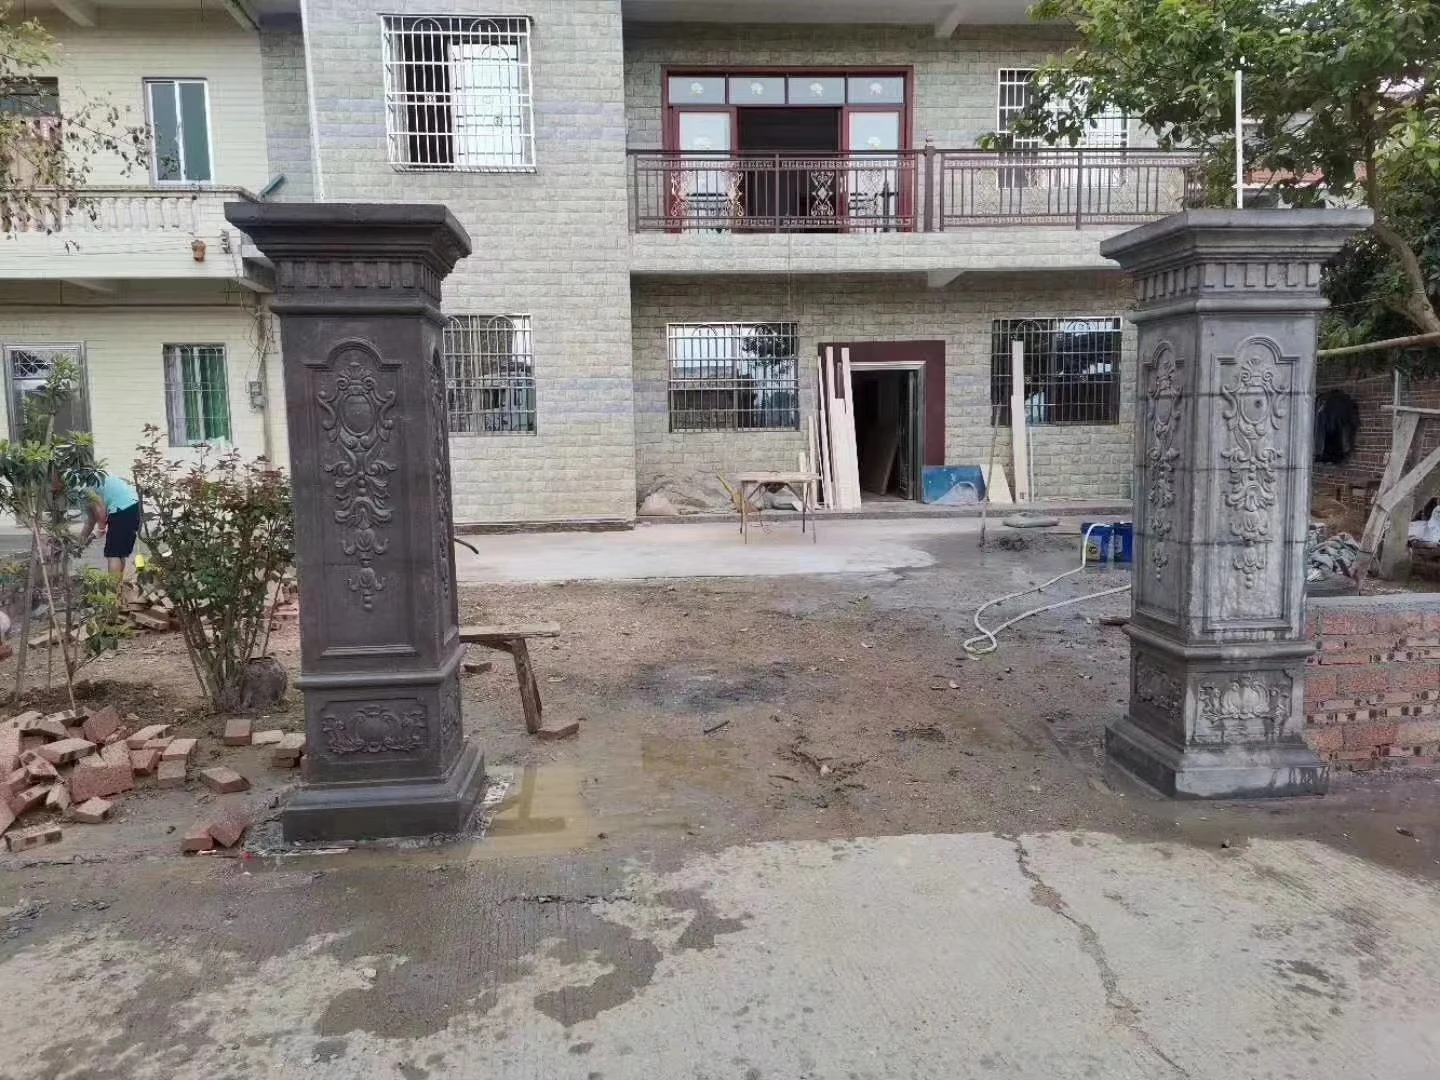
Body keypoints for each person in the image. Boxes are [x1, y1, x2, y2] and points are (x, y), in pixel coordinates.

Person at [79, 473, 142, 578]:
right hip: (134, 507)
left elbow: (100, 509)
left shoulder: (85, 488)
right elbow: (90, 521)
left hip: (121, 509)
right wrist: (81, 542)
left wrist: (101, 528)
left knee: (113, 554)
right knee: (120, 553)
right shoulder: (97, 476)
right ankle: (118, 586)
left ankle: (113, 587)